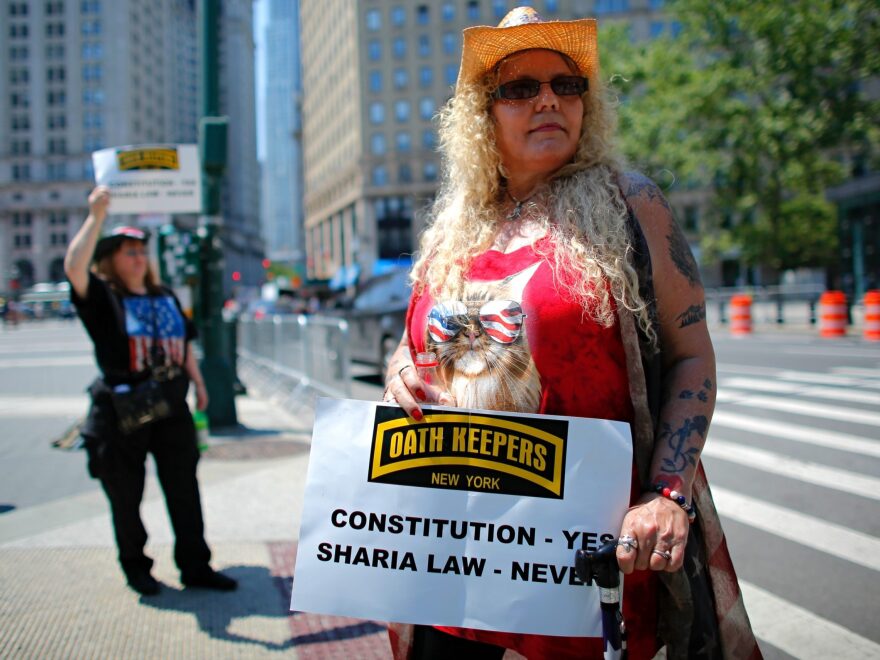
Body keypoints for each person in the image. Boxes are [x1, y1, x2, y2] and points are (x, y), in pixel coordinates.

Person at [382, 7, 759, 659]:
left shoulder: (628, 204)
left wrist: (665, 493)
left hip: (584, 554)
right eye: (520, 88)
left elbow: (692, 354)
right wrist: (400, 370)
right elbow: (418, 343)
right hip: (458, 550)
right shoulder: (454, 228)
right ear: (484, 112)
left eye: (567, 84)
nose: (549, 99)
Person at [64, 186, 236, 596]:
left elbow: (185, 341)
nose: (139, 257)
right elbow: (74, 268)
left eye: (142, 250)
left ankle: (196, 566)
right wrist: (96, 216)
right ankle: (136, 568)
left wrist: (197, 381)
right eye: (128, 251)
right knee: (126, 493)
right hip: (122, 408)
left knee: (184, 487)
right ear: (110, 259)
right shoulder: (104, 297)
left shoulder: (164, 295)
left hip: (171, 404)